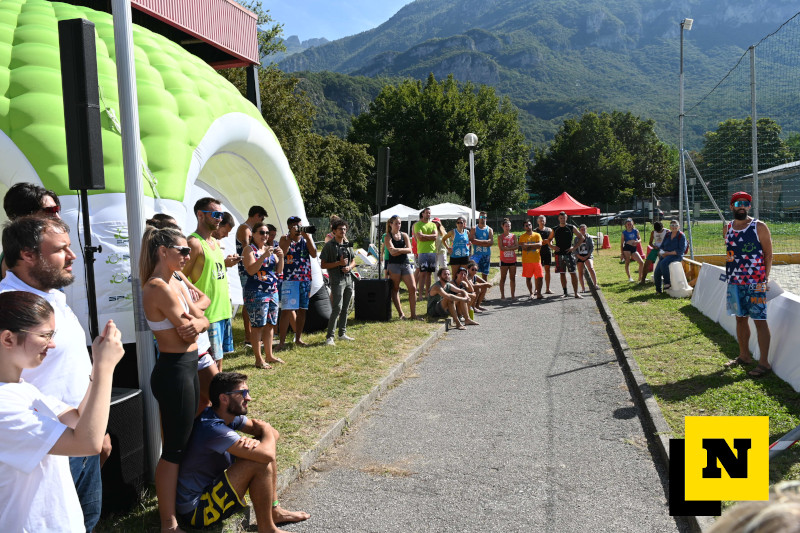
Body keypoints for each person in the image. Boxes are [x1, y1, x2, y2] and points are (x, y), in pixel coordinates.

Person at [0, 216, 108, 532]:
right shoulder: (9, 306)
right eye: (61, 249)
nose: (73, 256)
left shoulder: (54, 296)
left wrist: (96, 429)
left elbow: (70, 367)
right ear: (27, 255)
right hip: (43, 444)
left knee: (81, 519)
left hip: (75, 426)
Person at [0, 291, 124, 533]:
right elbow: (88, 442)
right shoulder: (4, 406)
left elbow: (79, 420)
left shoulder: (23, 389)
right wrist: (105, 368)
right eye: (45, 335)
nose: (52, 344)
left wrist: (98, 370)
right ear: (7, 339)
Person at [176, 372, 310, 532]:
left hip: (209, 491)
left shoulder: (228, 415)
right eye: (243, 393)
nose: (249, 398)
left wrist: (261, 439)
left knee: (262, 450)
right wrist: (264, 430)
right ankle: (267, 528)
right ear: (224, 398)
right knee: (260, 459)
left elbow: (274, 435)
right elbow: (268, 452)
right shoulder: (212, 428)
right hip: (197, 509)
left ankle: (275, 510)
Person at [141, 226, 211, 532]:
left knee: (182, 441)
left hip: (186, 366)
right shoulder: (159, 287)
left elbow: (202, 318)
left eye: (187, 250)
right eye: (182, 250)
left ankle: (180, 503)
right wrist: (197, 322)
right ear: (162, 251)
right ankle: (167, 521)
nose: (187, 255)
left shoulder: (177, 281)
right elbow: (190, 322)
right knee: (173, 449)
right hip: (174, 370)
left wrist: (199, 323)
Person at [183, 197, 240, 371]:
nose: (220, 219)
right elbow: (178, 275)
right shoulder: (193, 243)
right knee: (211, 367)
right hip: (208, 315)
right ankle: (211, 399)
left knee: (219, 364)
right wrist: (193, 293)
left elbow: (211, 272)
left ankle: (215, 397)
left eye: (221, 214)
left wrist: (225, 263)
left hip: (222, 311)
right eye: (215, 214)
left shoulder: (214, 242)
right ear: (200, 215)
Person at [722, 192, 773, 378]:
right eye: (738, 203)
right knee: (740, 318)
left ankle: (764, 363)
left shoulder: (759, 227)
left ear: (749, 206)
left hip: (756, 283)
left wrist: (764, 279)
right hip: (734, 281)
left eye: (745, 203)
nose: (742, 206)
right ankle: (744, 356)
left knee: (760, 320)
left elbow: (768, 254)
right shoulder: (727, 228)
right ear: (731, 206)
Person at [242, 222, 285, 368]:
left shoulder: (269, 249)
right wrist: (263, 256)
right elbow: (251, 270)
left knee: (270, 324)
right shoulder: (249, 249)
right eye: (261, 232)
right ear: (253, 234)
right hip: (256, 292)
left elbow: (279, 271)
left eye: (267, 233)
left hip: (272, 291)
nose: (265, 236)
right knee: (257, 326)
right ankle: (258, 359)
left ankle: (270, 355)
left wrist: (282, 257)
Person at [1, 182, 62, 278]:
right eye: (50, 211)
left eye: (57, 210)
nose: (58, 218)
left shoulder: (31, 248)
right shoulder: (21, 255)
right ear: (25, 216)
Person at [278, 215, 317, 349]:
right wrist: (291, 237)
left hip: (305, 279)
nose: (298, 228)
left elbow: (314, 254)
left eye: (299, 225)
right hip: (289, 280)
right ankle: (282, 342)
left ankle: (298, 338)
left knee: (302, 310)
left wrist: (307, 237)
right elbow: (282, 253)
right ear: (289, 227)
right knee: (286, 311)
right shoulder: (284, 238)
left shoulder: (306, 239)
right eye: (295, 225)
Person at [320, 218, 356, 346]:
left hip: (348, 279)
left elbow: (354, 261)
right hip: (336, 280)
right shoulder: (329, 246)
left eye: (345, 229)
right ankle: (330, 337)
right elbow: (323, 264)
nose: (343, 231)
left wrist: (349, 267)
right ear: (334, 231)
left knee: (346, 307)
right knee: (337, 308)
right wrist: (338, 264)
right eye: (340, 229)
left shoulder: (347, 243)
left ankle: (342, 333)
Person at [236, 206, 268, 348]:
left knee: (253, 301)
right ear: (256, 215)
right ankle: (248, 337)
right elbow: (248, 248)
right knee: (248, 302)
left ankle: (253, 337)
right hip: (246, 270)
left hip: (253, 269)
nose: (261, 222)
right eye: (261, 218)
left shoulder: (249, 228)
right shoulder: (244, 228)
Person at [383, 215, 419, 320]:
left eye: (399, 223)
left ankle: (413, 315)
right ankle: (401, 314)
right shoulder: (387, 236)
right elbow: (392, 252)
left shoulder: (404, 235)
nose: (398, 225)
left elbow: (410, 250)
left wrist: (397, 250)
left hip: (405, 263)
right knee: (395, 288)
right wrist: (402, 249)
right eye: (396, 223)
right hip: (393, 265)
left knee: (412, 288)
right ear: (390, 224)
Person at [550, 211, 584, 299]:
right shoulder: (555, 229)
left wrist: (574, 247)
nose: (562, 219)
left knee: (573, 273)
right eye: (561, 218)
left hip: (569, 254)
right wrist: (552, 246)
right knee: (562, 273)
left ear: (566, 218)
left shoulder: (571, 227)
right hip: (559, 254)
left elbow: (581, 237)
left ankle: (576, 293)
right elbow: (549, 239)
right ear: (558, 218)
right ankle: (565, 292)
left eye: (564, 218)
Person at [653, 220, 686, 295]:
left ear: (679, 226)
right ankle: (658, 290)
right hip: (665, 255)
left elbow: (680, 251)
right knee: (657, 272)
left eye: (676, 225)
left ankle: (667, 283)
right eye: (672, 225)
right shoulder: (667, 234)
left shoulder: (681, 236)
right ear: (670, 226)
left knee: (664, 263)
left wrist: (667, 253)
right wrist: (661, 252)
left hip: (676, 256)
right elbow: (662, 246)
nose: (674, 227)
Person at [413, 208, 437, 301]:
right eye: (426, 213)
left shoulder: (433, 224)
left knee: (429, 273)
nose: (428, 215)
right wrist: (429, 237)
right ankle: (420, 295)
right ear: (422, 214)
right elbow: (419, 237)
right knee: (422, 273)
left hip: (432, 251)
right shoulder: (417, 224)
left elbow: (435, 237)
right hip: (422, 252)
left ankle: (427, 294)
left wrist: (425, 236)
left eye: (429, 213)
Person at [519, 219, 544, 299]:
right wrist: (534, 245)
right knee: (528, 277)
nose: (528, 226)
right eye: (526, 225)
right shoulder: (522, 236)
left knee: (540, 277)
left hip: (537, 260)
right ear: (524, 227)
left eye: (529, 225)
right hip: (527, 261)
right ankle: (531, 293)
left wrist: (528, 245)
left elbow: (540, 245)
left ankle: (539, 293)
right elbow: (524, 247)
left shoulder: (537, 235)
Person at [497, 218, 518, 299]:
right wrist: (511, 247)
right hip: (504, 260)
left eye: (509, 226)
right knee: (503, 278)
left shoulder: (513, 236)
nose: (507, 227)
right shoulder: (500, 237)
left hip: (512, 260)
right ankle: (502, 296)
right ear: (503, 227)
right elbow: (501, 248)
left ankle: (513, 295)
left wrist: (508, 248)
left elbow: (517, 246)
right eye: (506, 226)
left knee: (512, 278)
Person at [470, 211, 493, 280]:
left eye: (484, 217)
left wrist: (478, 241)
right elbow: (473, 241)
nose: (482, 219)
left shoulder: (489, 229)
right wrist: (486, 242)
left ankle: (484, 290)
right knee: (472, 274)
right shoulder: (474, 229)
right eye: (481, 217)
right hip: (477, 254)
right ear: (478, 218)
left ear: (486, 218)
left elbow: (491, 242)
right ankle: (475, 289)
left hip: (486, 255)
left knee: (485, 275)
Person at [534, 215, 554, 294]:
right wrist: (542, 242)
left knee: (547, 270)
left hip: (547, 252)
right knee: (537, 271)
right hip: (538, 253)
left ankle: (547, 288)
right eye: (540, 220)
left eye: (543, 220)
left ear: (545, 221)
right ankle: (536, 289)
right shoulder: (535, 231)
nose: (542, 222)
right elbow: (534, 242)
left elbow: (551, 241)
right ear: (537, 222)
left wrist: (548, 242)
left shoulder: (549, 230)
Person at [620, 218, 644, 282]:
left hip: (634, 248)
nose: (629, 225)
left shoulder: (636, 231)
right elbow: (622, 243)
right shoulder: (624, 233)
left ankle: (640, 277)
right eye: (628, 224)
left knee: (641, 262)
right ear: (625, 225)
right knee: (627, 262)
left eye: (630, 224)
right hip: (627, 248)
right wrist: (622, 253)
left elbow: (640, 239)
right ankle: (629, 277)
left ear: (632, 224)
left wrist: (637, 242)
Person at [575, 224, 597, 293]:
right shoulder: (576, 238)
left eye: (584, 229)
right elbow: (574, 249)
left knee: (591, 268)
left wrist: (587, 256)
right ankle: (583, 288)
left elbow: (592, 248)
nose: (583, 231)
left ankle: (595, 284)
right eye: (582, 229)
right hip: (579, 256)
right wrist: (579, 256)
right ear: (579, 230)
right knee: (580, 272)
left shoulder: (589, 238)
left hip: (588, 255)